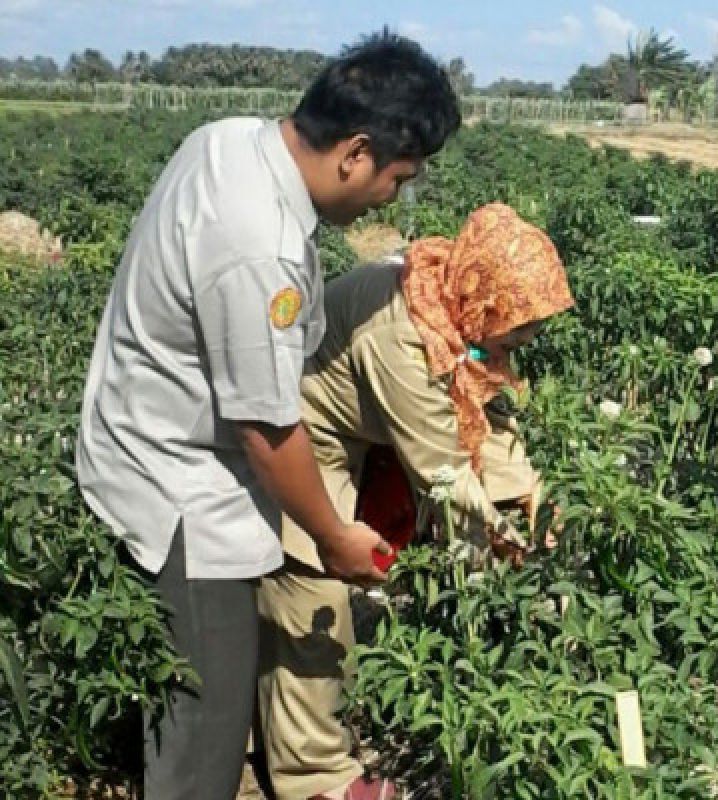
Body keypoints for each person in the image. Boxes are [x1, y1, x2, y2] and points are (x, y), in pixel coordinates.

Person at [75, 31, 460, 799]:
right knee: (204, 725)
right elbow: (268, 431)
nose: (394, 198)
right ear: (355, 153)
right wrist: (334, 536)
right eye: (399, 178)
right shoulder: (262, 250)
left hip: (138, 433)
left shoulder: (230, 141)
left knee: (195, 683)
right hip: (181, 493)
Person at [255, 202, 575, 800]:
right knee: (310, 589)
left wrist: (524, 494)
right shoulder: (400, 336)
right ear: (492, 301)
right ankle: (313, 776)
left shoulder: (452, 301)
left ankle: (286, 724)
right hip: (298, 433)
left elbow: (489, 408)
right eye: (524, 325)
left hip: (354, 435)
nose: (529, 339)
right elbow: (442, 468)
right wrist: (502, 541)